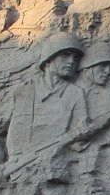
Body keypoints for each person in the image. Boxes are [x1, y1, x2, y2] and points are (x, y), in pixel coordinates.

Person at [5, 32, 91, 161]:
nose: (71, 62)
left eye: (75, 58)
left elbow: (80, 140)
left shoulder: (76, 93)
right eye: (65, 55)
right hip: (16, 170)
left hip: (53, 164)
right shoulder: (23, 91)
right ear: (49, 59)